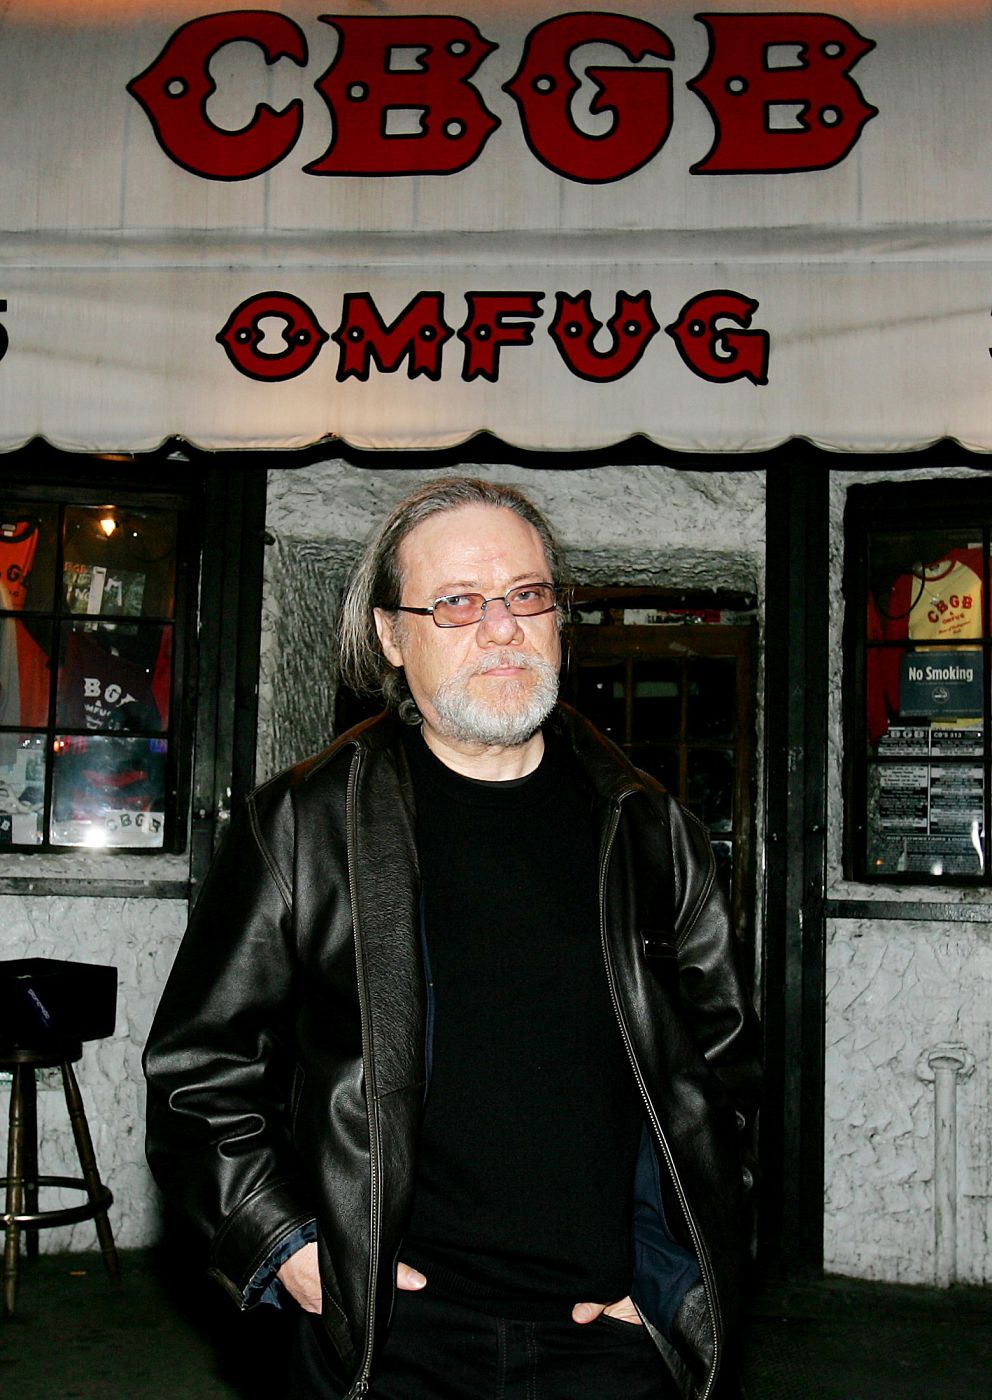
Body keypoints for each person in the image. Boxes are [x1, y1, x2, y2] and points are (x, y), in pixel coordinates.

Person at [144, 476, 761, 1400]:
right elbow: (200, 1068)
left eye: (526, 595)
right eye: (458, 602)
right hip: (391, 1345)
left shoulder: (648, 829)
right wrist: (285, 1245)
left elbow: (724, 1073)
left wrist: (670, 1271)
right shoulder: (308, 825)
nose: (502, 627)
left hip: (614, 1342)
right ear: (391, 637)